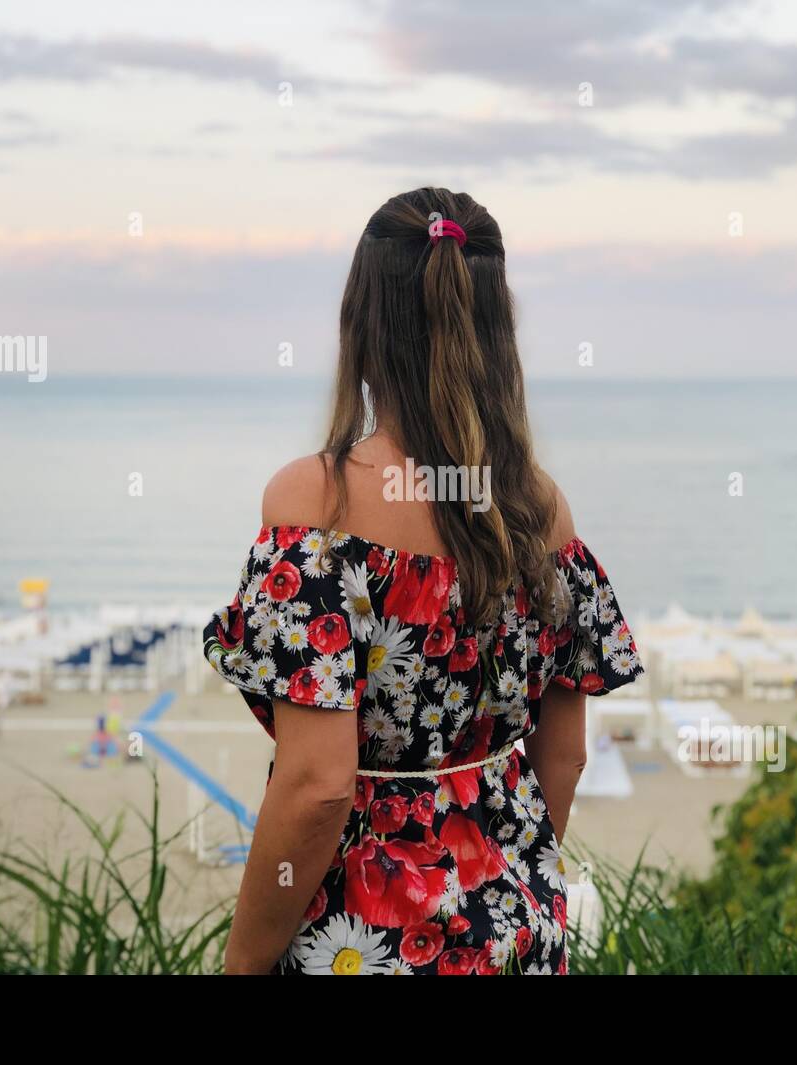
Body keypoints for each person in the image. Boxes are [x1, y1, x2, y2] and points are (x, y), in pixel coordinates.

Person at [204, 188, 643, 975]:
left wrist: (240, 964)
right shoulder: (542, 513)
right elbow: (565, 758)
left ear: (362, 326)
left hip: (361, 945)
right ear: (497, 333)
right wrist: (493, 888)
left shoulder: (318, 505)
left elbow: (319, 784)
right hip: (515, 933)